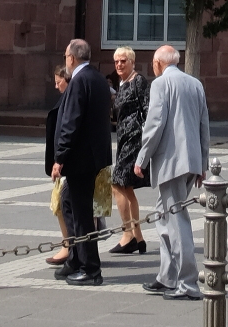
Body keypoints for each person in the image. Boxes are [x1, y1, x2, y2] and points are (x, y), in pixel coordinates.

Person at [134, 42, 211, 301]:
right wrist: (203, 163)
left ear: (158, 63)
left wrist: (142, 159)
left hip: (171, 162)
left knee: (176, 222)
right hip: (190, 161)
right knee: (162, 216)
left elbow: (155, 125)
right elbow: (204, 125)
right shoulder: (195, 84)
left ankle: (187, 283)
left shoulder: (160, 84)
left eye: (153, 63)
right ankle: (167, 275)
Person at [51, 37, 113, 286]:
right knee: (68, 201)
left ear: (72, 58)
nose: (65, 60)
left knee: (82, 213)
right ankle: (76, 258)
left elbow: (71, 121)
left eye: (66, 56)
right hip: (94, 156)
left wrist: (60, 157)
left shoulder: (79, 80)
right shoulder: (97, 78)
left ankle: (90, 268)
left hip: (81, 158)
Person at [109, 45, 150, 255]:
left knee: (117, 183)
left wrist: (147, 142)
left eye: (123, 61)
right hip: (124, 140)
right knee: (126, 188)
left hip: (134, 140)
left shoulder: (138, 81)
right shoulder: (122, 83)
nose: (119, 64)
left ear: (132, 62)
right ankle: (138, 237)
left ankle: (128, 235)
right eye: (116, 61)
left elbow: (148, 110)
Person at [44, 68, 72, 268]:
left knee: (62, 203)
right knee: (61, 204)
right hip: (64, 160)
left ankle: (69, 246)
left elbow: (67, 131)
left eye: (58, 82)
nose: (56, 86)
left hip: (68, 163)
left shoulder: (71, 99)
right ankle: (71, 246)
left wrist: (59, 160)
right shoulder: (67, 98)